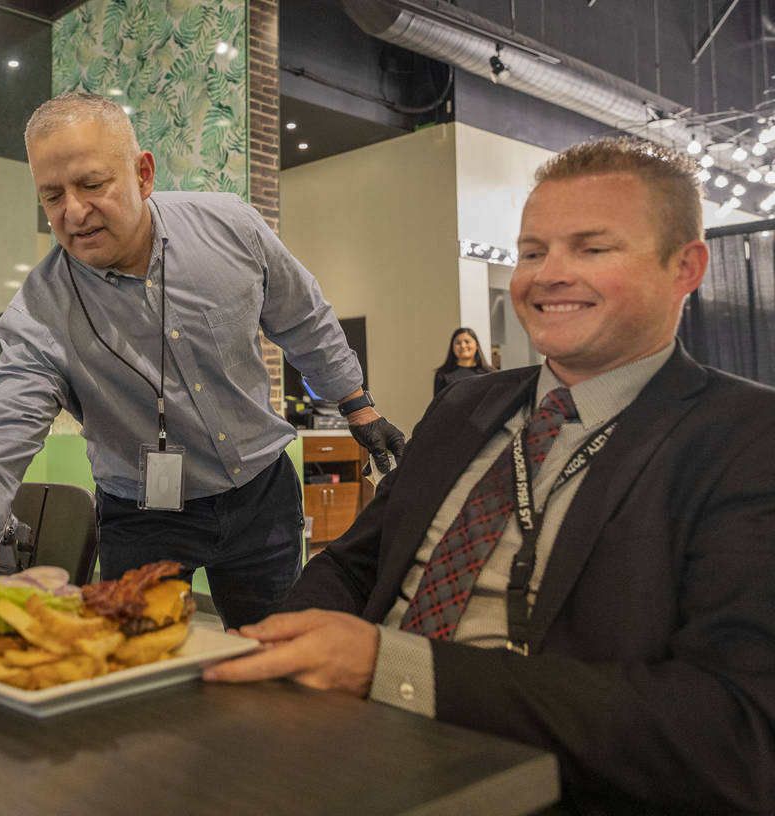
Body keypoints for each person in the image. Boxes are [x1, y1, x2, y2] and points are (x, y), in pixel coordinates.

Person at [203, 137, 775, 813]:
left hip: (536, 778)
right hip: (337, 740)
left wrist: (393, 669)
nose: (547, 275)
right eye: (532, 252)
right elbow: (357, 564)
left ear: (686, 268)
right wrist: (286, 648)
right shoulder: (462, 406)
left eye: (591, 249)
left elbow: (731, 733)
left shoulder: (744, 437)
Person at [0, 92, 406, 628]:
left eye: (90, 184)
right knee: (137, 673)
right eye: (52, 196)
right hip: (141, 516)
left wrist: (358, 408)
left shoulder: (231, 229)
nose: (74, 212)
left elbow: (304, 319)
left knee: (274, 658)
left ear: (143, 173)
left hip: (260, 496)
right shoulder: (40, 313)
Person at [432, 327, 492, 395]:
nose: (463, 346)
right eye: (458, 343)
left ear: (476, 345)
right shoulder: (443, 374)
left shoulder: (489, 373)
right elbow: (438, 404)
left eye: (467, 342)